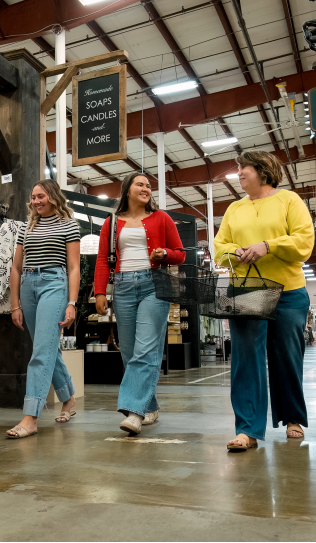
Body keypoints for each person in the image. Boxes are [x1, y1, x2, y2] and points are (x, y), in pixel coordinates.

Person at [213, 151, 315, 451]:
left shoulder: (289, 201)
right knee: (246, 359)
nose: (239, 173)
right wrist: (236, 252)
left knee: (287, 356)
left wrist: (267, 246)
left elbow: (303, 242)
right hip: (246, 290)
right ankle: (247, 429)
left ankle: (293, 417)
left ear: (264, 170)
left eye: (244, 168)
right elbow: (219, 247)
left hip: (288, 291)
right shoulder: (234, 209)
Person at [94, 174, 186, 435]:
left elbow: (180, 254)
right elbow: (102, 259)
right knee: (130, 352)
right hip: (122, 287)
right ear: (127, 190)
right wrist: (101, 292)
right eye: (140, 184)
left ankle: (134, 412)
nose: (146, 188)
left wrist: (164, 254)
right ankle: (151, 405)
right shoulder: (111, 223)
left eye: (148, 186)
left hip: (154, 284)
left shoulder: (162, 218)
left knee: (145, 349)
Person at [6, 180, 81, 439]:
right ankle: (69, 398)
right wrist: (14, 304)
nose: (37, 201)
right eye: (34, 197)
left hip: (54, 285)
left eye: (41, 196)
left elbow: (73, 267)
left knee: (40, 352)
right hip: (28, 285)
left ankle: (31, 417)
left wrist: (72, 302)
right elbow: (15, 268)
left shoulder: (69, 225)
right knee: (48, 348)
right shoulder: (26, 227)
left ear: (53, 196)